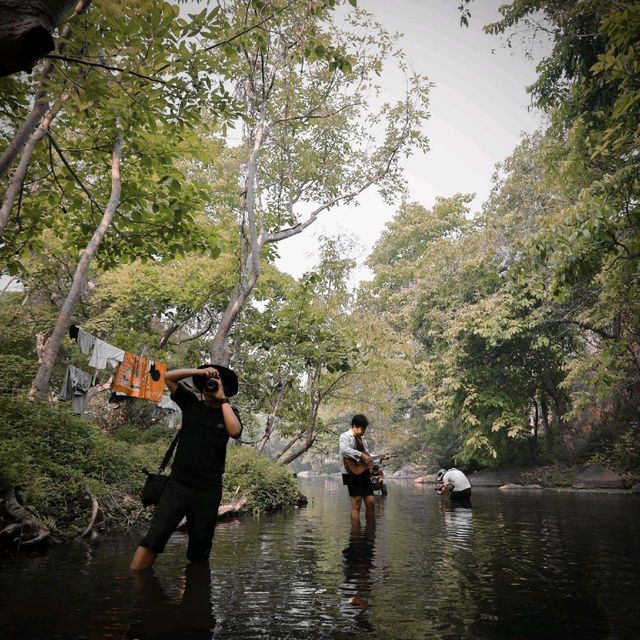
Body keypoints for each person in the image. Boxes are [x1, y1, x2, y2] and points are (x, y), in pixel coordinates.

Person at [130, 364, 242, 570]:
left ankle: (196, 595)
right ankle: (136, 589)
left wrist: (222, 398)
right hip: (178, 486)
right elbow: (167, 377)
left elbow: (234, 431)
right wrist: (198, 372)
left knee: (200, 550)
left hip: (208, 491)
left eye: (218, 382)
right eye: (210, 382)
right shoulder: (191, 404)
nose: (213, 385)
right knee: (153, 538)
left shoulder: (229, 412)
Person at [339, 414, 375, 521]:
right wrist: (360, 455)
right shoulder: (345, 436)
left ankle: (370, 533)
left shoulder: (362, 439)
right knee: (357, 503)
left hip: (364, 472)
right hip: (351, 472)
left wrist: (380, 458)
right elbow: (344, 450)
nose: (363, 432)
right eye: (362, 429)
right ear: (354, 426)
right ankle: (356, 534)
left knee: (371, 502)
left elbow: (367, 455)